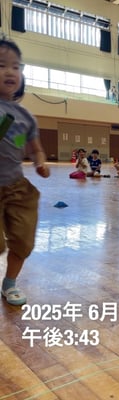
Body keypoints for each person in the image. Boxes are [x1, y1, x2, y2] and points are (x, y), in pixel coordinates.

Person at [0, 37, 50, 305]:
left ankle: (9, 283)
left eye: (16, 66)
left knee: (23, 241)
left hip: (17, 187)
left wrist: (40, 162)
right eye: (1, 65)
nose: (10, 71)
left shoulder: (26, 117)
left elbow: (34, 148)